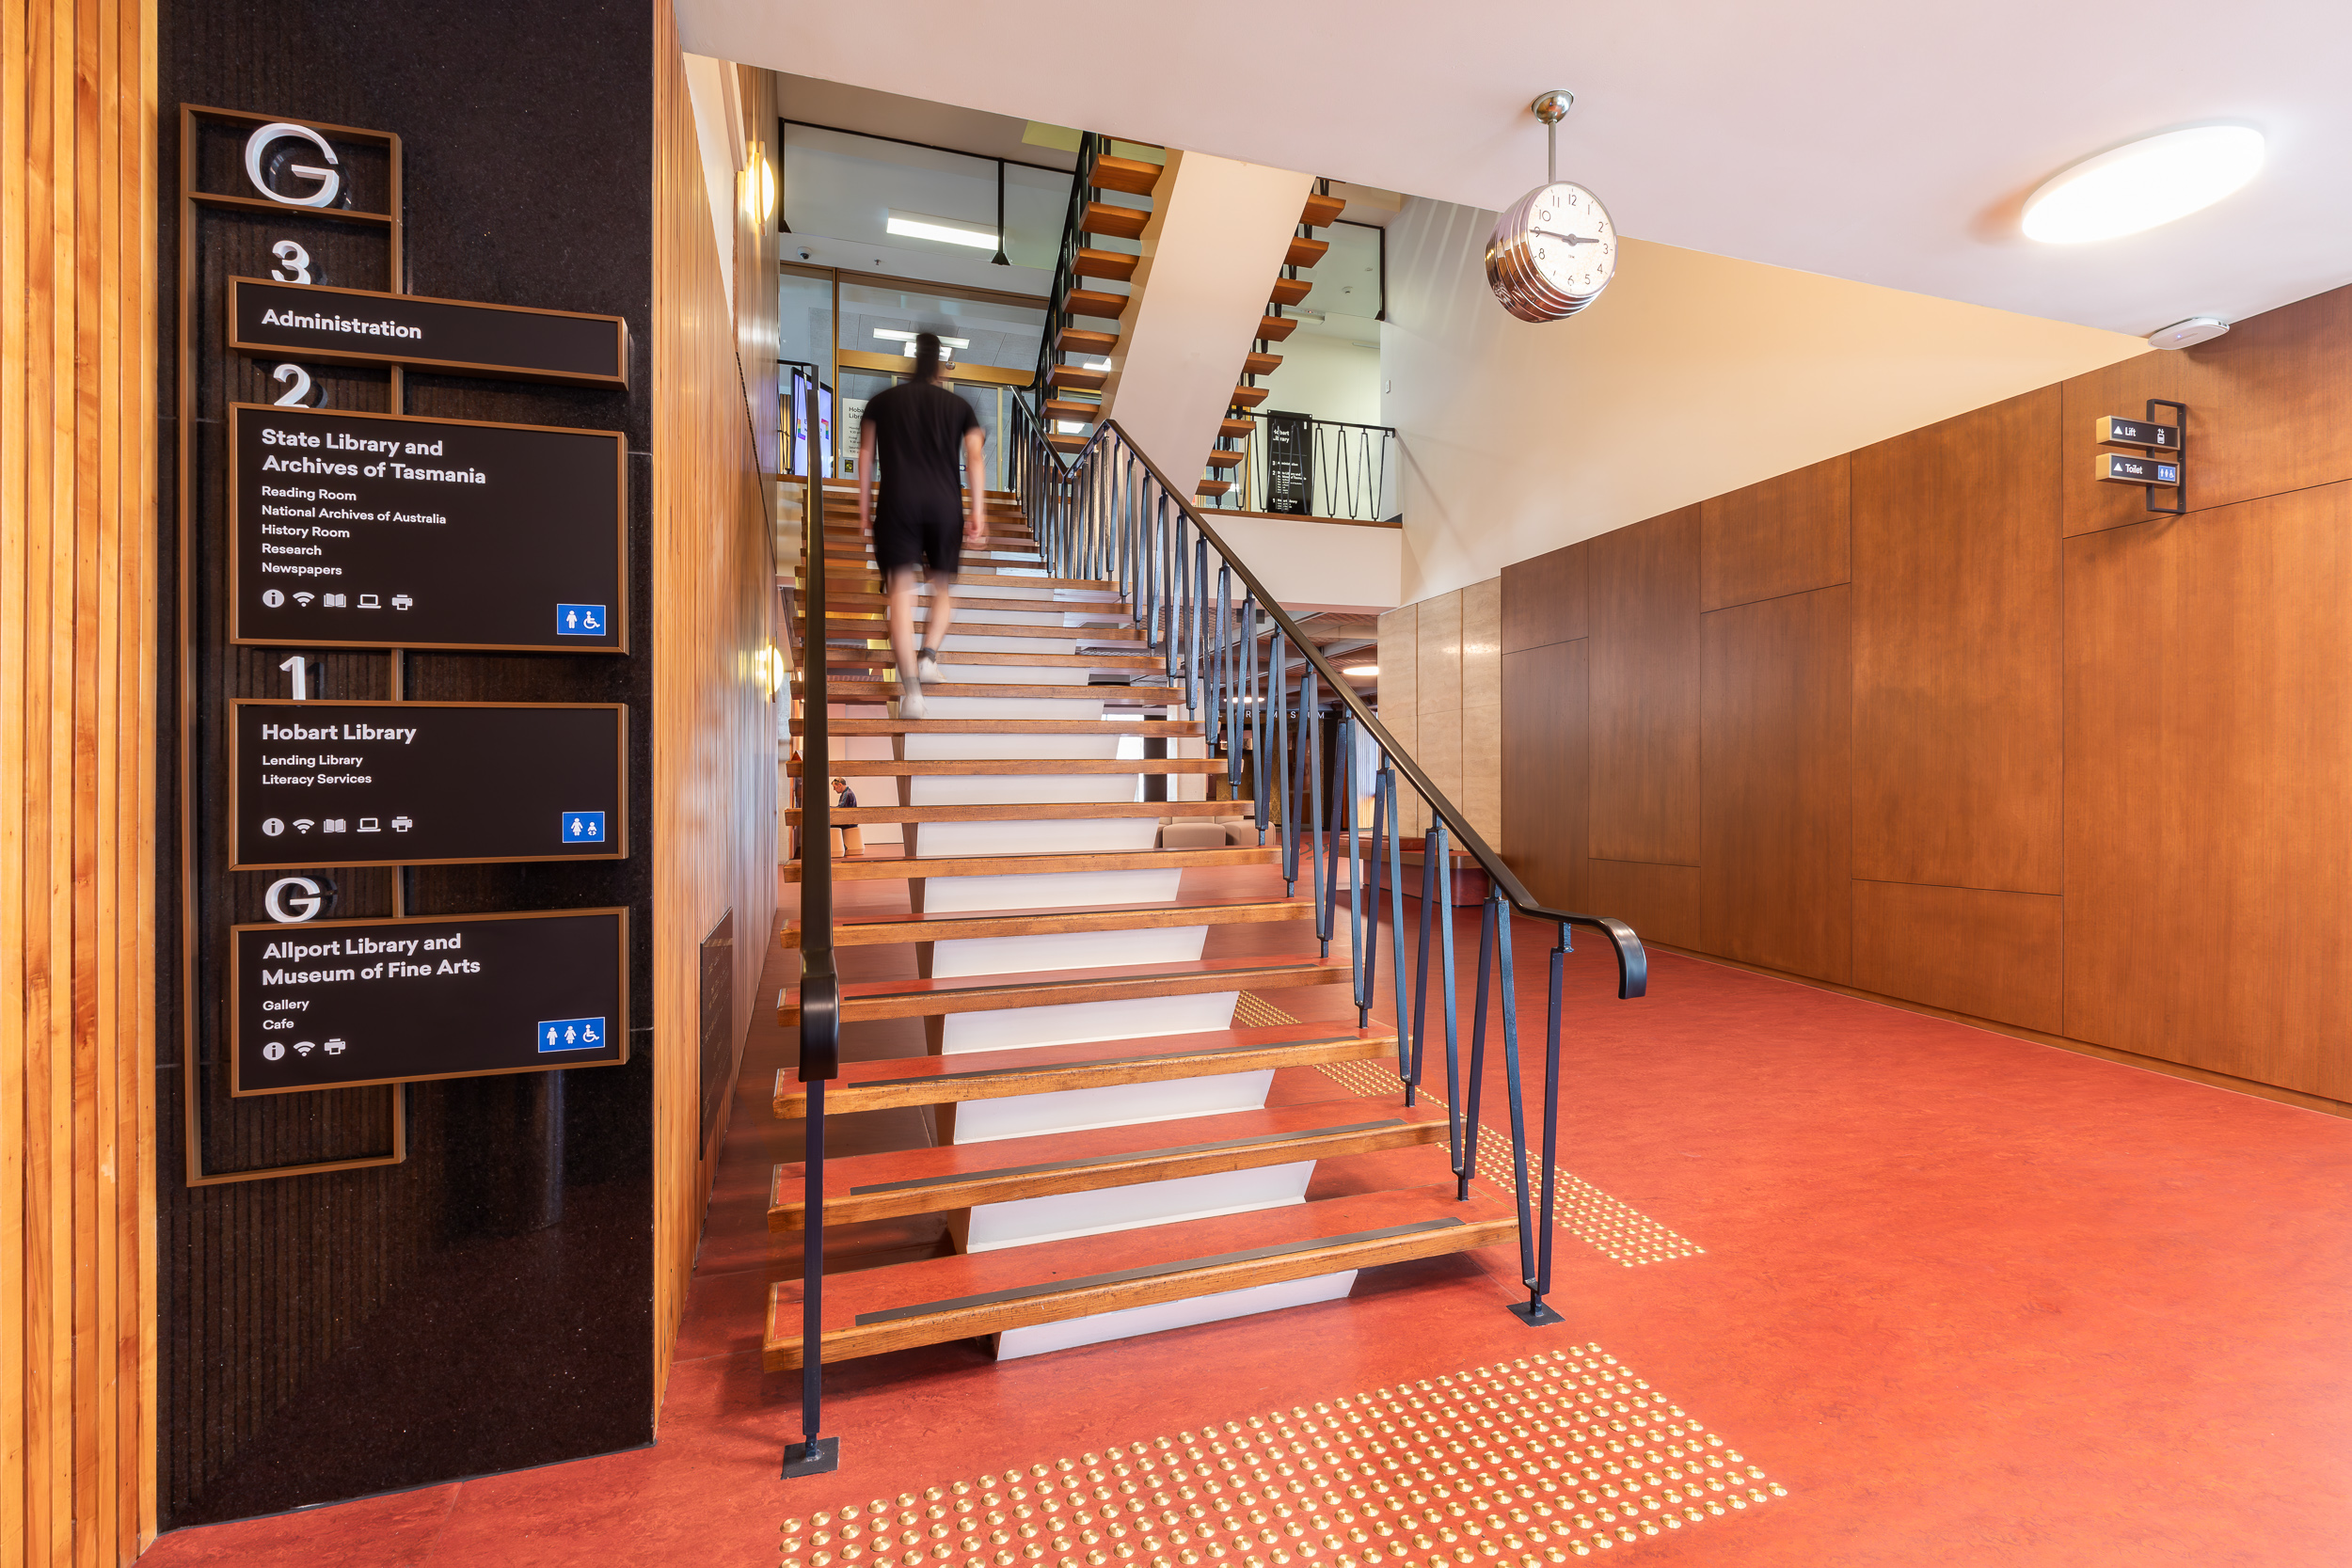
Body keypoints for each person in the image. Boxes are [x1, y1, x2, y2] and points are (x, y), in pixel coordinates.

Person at [856, 332, 987, 719]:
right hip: (945, 504)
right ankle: (929, 654)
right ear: (941, 368)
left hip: (897, 504)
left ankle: (912, 693)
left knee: (900, 594)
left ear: (911, 362)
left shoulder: (882, 402)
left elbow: (866, 455)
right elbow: (975, 459)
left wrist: (864, 507)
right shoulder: (960, 406)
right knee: (943, 587)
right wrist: (978, 511)